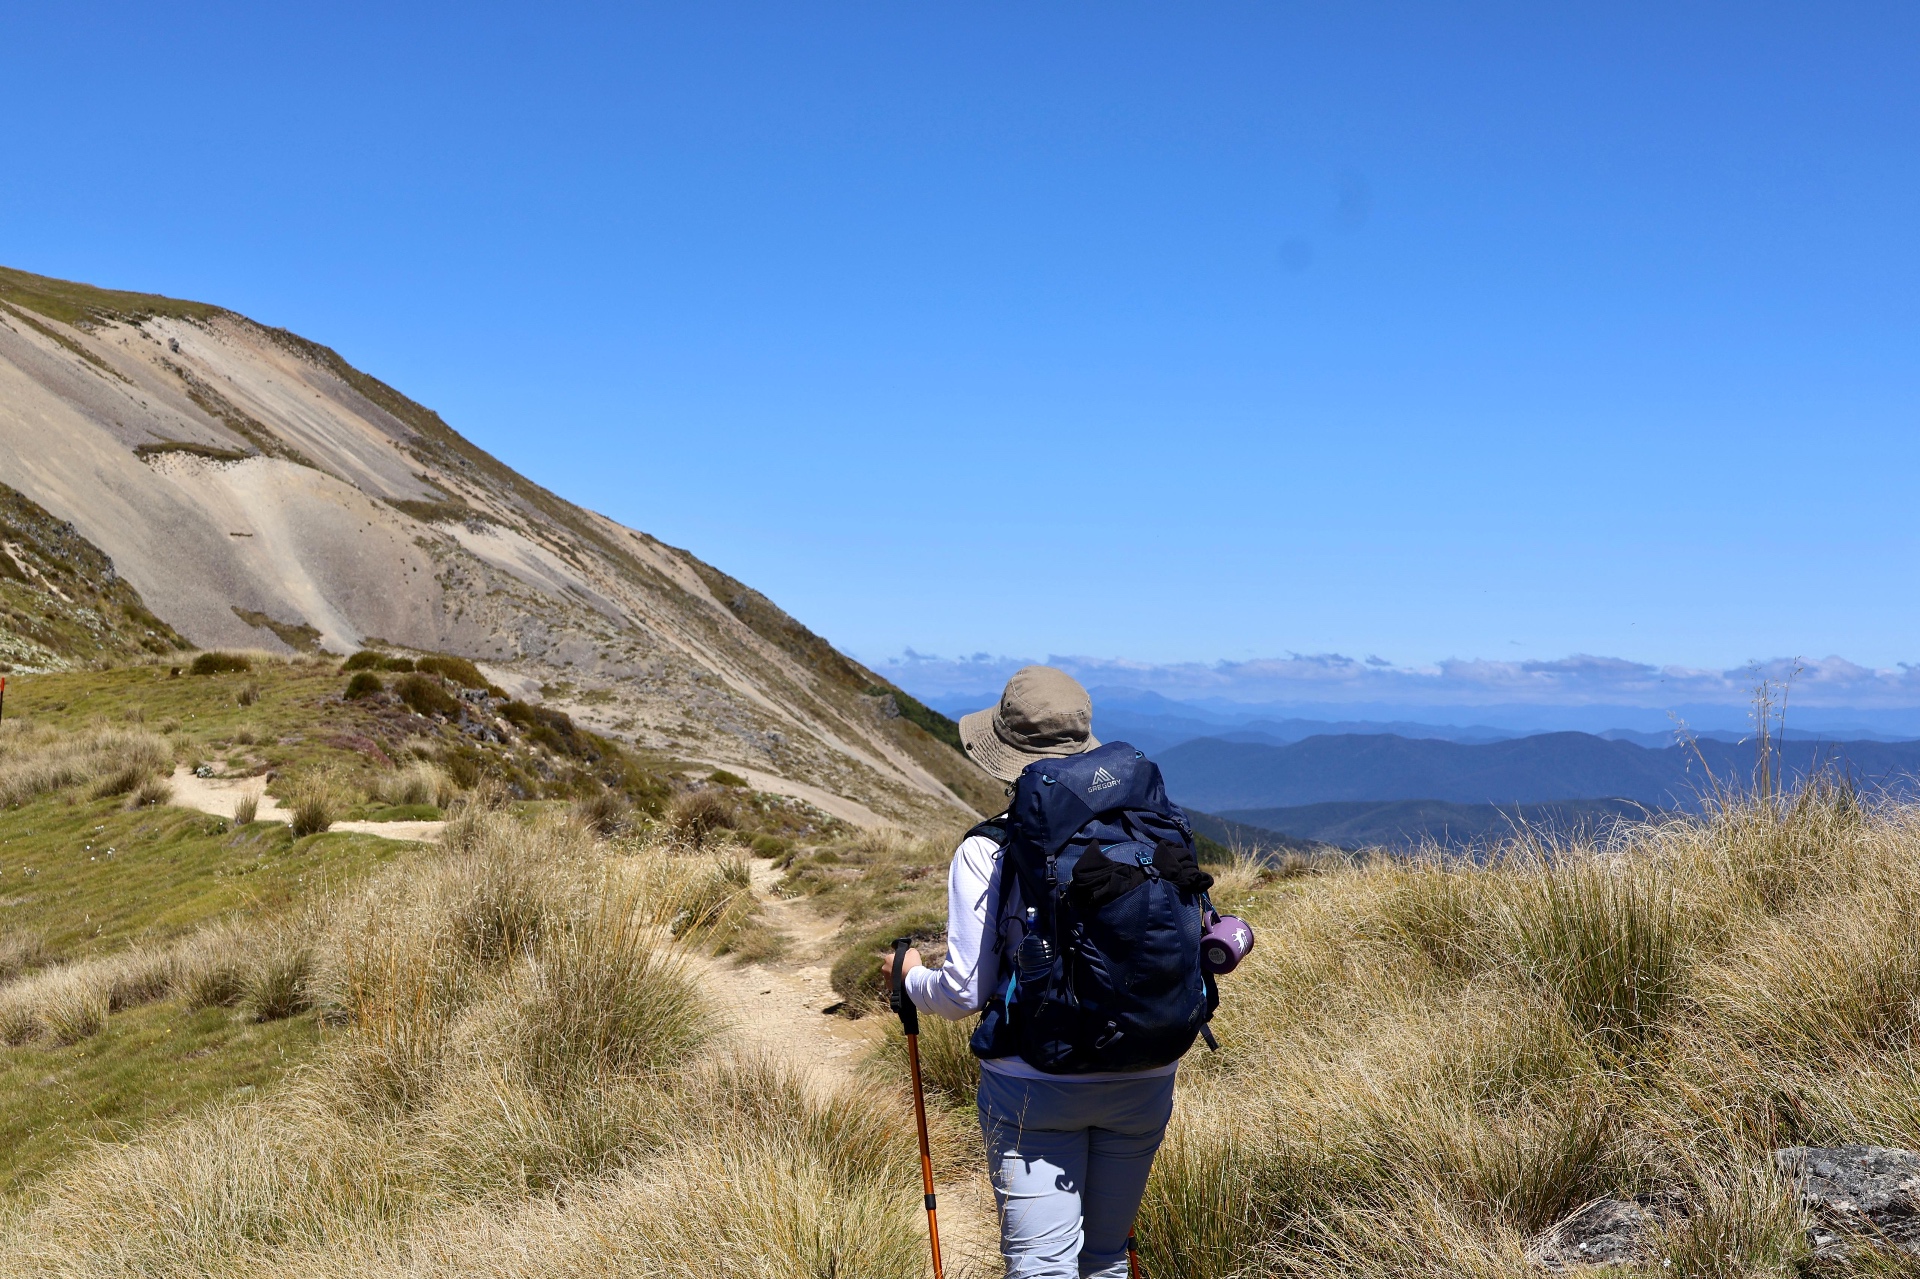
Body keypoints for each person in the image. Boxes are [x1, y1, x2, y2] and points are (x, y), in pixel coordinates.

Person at [882, 665, 1180, 1279]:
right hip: (1146, 1070)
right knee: (1104, 1261)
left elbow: (966, 990)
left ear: (1005, 750)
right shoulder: (1149, 829)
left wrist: (909, 977)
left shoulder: (987, 849)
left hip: (1034, 1083)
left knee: (1042, 1267)